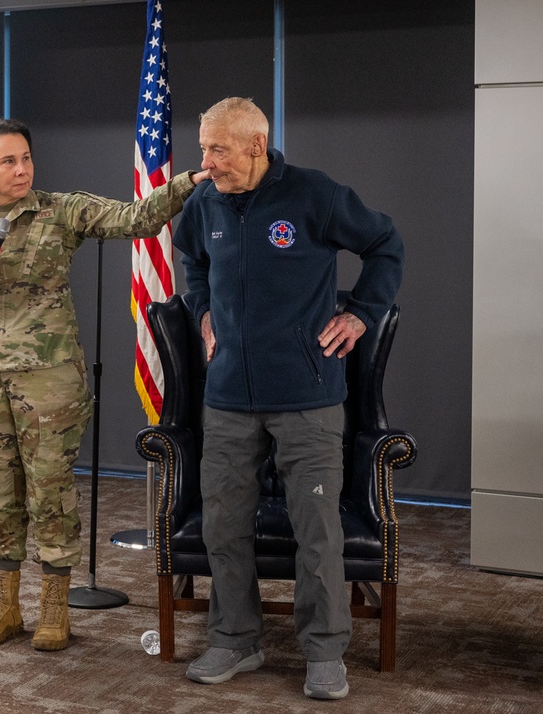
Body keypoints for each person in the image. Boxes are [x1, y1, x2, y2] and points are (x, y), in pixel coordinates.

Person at [0, 118, 209, 651]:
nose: (22, 168)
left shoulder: (61, 210)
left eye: (26, 157)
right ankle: (4, 605)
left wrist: (188, 181)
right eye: (8, 161)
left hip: (50, 384)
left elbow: (137, 219)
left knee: (51, 494)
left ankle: (55, 608)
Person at [171, 98, 404, 699]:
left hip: (307, 396)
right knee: (223, 524)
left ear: (255, 145)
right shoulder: (204, 203)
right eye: (203, 148)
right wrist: (201, 310)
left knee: (318, 532)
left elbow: (384, 243)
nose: (206, 162)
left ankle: (324, 653)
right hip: (226, 398)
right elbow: (190, 259)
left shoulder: (313, 195)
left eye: (217, 149)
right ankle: (233, 639)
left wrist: (360, 313)